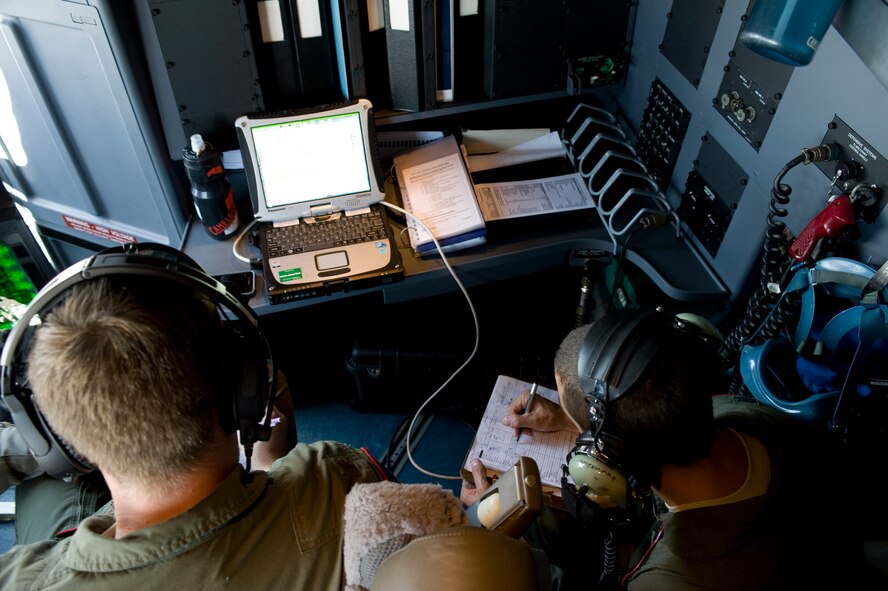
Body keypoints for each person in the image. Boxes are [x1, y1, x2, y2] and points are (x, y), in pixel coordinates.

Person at [0, 247, 385, 589]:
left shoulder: (20, 578)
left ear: (48, 431)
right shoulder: (331, 478)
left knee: (44, 485)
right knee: (275, 381)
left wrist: (72, 429)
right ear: (239, 391)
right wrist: (272, 468)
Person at [462, 307, 866, 590]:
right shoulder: (743, 416)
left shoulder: (671, 581)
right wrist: (571, 419)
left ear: (601, 460)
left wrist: (505, 552)